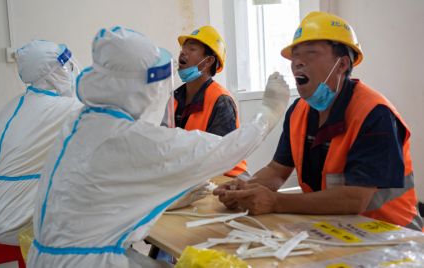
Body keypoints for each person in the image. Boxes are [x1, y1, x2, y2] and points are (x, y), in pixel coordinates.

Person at [26, 26, 289, 267]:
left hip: (55, 255)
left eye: (192, 48)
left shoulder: (81, 120)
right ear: (140, 87)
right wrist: (267, 115)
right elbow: (217, 149)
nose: (183, 54)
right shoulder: (128, 135)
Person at [214, 11, 424, 231]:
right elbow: (277, 171)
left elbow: (355, 198)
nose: (297, 63)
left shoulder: (375, 114)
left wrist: (275, 202)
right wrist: (245, 189)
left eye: (310, 54)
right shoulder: (298, 112)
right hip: (337, 230)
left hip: (393, 237)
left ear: (342, 64)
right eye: (294, 56)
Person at [0, 40, 83, 245]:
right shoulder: (64, 109)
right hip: (15, 225)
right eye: (65, 66)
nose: (70, 71)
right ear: (52, 73)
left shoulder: (13, 105)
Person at [169, 25, 249, 180]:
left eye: (191, 49)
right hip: (193, 176)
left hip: (229, 179)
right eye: (183, 49)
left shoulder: (221, 100)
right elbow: (164, 143)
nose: (183, 52)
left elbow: (218, 158)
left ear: (208, 62)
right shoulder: (175, 98)